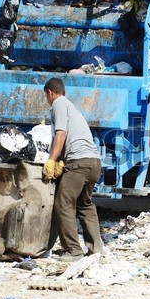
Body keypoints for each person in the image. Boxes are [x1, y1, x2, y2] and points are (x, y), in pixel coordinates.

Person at [43, 77, 103, 262]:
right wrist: (62, 160)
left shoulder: (59, 104)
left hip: (79, 164)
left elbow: (61, 134)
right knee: (85, 205)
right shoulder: (71, 106)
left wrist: (52, 161)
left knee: (63, 203)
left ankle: (73, 251)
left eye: (46, 96)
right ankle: (96, 249)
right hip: (94, 162)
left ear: (50, 93)